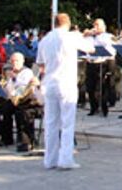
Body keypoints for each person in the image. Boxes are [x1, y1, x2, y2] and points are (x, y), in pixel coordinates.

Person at [36, 12, 95, 170]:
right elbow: (91, 49)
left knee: (51, 123)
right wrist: (85, 35)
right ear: (67, 23)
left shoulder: (45, 39)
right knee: (67, 123)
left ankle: (50, 160)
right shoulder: (71, 36)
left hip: (49, 83)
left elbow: (40, 64)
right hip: (66, 83)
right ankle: (66, 160)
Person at [0, 52, 40, 151]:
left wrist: (13, 79)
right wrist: (2, 87)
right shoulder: (10, 73)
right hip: (11, 99)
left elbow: (22, 89)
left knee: (17, 112)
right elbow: (7, 91)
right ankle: (3, 136)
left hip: (24, 100)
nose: (14, 63)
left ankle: (24, 140)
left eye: (16, 61)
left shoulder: (27, 72)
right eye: (12, 61)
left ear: (22, 61)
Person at [84, 19, 117, 117]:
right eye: (94, 25)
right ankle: (93, 108)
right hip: (90, 63)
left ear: (103, 27)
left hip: (101, 63)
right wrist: (85, 34)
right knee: (90, 87)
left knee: (101, 88)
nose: (95, 27)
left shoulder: (108, 36)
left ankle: (103, 108)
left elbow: (108, 46)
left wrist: (96, 34)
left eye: (98, 25)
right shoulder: (90, 37)